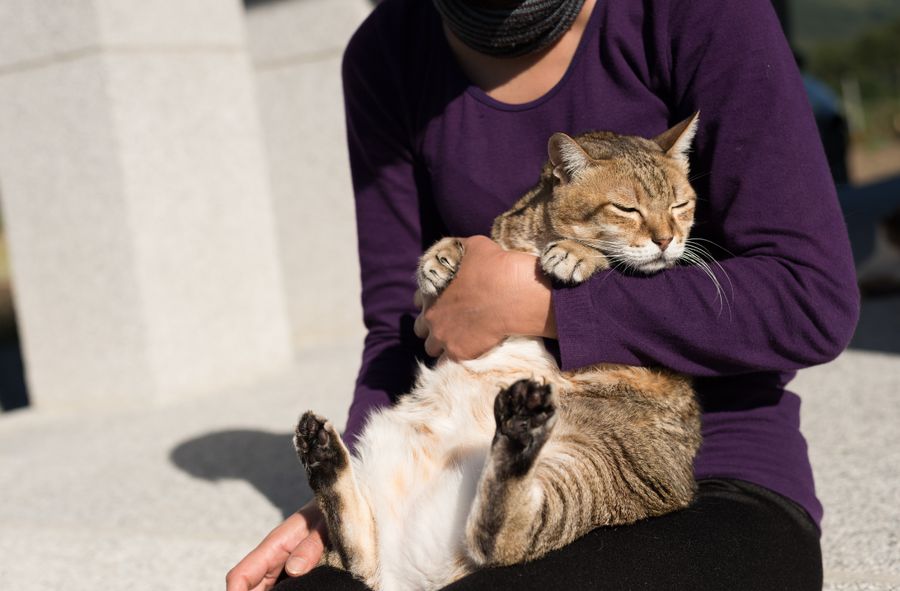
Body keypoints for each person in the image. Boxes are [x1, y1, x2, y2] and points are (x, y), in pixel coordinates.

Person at [226, 0, 859, 589]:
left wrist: (542, 303)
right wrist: (358, 490)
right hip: (458, 450)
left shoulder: (694, 12)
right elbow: (396, 325)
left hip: (689, 470)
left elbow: (811, 299)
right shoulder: (386, 50)